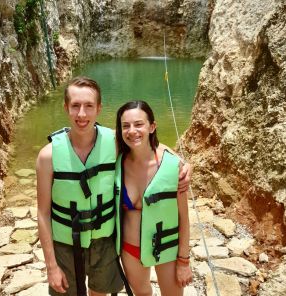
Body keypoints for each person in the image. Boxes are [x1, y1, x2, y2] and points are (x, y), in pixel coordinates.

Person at [36, 77, 191, 296]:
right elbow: (42, 213)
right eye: (75, 106)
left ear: (99, 108)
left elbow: (147, 143)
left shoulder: (114, 141)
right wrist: (51, 266)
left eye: (89, 106)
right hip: (66, 244)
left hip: (104, 243)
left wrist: (182, 163)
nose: (82, 114)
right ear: (66, 107)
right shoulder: (47, 156)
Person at [114, 100, 193, 296]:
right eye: (126, 126)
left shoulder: (172, 166)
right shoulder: (116, 160)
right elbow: (88, 132)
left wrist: (184, 261)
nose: (132, 131)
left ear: (152, 126)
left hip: (166, 247)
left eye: (139, 124)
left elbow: (184, 218)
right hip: (129, 248)